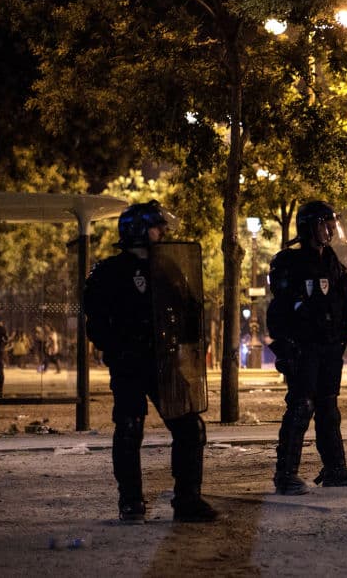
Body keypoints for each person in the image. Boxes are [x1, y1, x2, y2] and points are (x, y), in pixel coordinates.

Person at [84, 200, 218, 524]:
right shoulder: (108, 273)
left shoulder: (168, 268)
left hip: (164, 364)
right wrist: (119, 347)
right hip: (129, 365)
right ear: (139, 230)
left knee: (189, 427)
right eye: (157, 226)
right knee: (129, 429)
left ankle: (188, 500)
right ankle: (130, 501)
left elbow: (187, 308)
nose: (163, 231)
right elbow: (97, 324)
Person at [267, 200, 347, 495]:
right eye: (324, 224)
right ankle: (286, 474)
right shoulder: (288, 263)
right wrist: (285, 345)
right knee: (301, 406)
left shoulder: (334, 264)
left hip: (330, 348)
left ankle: (335, 468)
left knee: (328, 408)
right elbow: (279, 310)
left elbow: (340, 307)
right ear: (308, 228)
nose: (330, 230)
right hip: (303, 348)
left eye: (332, 224)